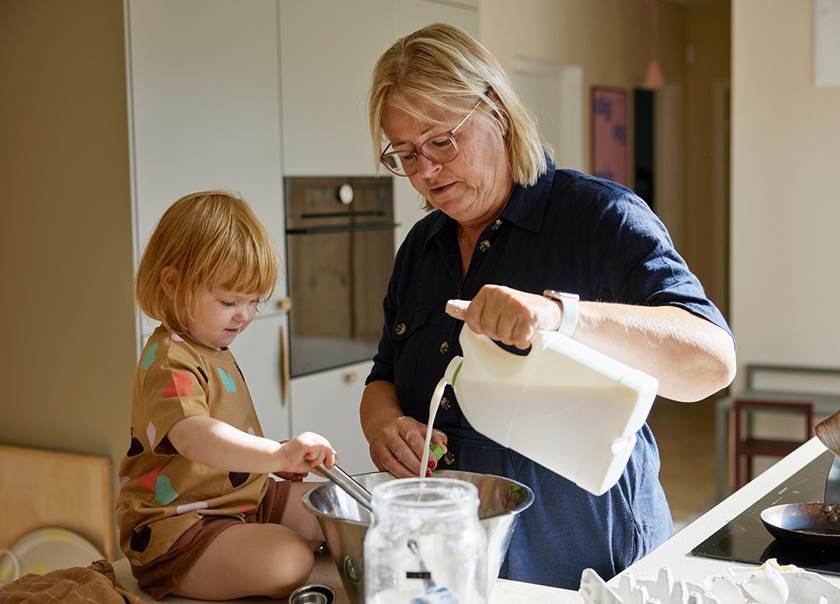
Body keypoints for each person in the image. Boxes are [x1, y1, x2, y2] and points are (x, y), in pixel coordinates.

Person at [361, 24, 736, 589]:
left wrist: (564, 317)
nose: (425, 172)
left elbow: (711, 361)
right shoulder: (421, 248)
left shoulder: (600, 219)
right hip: (456, 564)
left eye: (442, 141)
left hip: (589, 565)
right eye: (406, 154)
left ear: (497, 111)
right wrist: (386, 425)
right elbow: (383, 376)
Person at [115, 192, 336, 600]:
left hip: (241, 498)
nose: (246, 315)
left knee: (335, 511)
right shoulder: (169, 357)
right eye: (230, 301)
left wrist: (277, 459)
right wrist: (274, 454)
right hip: (182, 527)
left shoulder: (210, 346)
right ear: (172, 283)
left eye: (254, 301)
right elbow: (194, 435)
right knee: (290, 560)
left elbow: (227, 440)